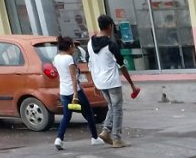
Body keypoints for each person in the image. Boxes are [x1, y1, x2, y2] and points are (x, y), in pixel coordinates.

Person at [89, 14, 141, 148]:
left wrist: (94, 82)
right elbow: (121, 65)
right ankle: (117, 138)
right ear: (110, 26)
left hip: (100, 81)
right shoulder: (111, 45)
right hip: (112, 82)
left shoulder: (90, 43)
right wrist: (132, 84)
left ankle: (106, 132)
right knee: (117, 109)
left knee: (112, 107)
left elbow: (92, 64)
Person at [52, 36, 104, 150]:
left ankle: (59, 139)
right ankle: (95, 138)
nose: (75, 48)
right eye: (74, 46)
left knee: (67, 116)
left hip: (64, 91)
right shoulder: (68, 59)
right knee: (89, 113)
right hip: (74, 90)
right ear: (70, 46)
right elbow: (73, 77)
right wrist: (75, 93)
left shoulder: (56, 58)